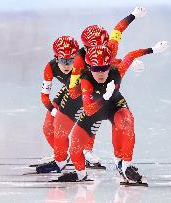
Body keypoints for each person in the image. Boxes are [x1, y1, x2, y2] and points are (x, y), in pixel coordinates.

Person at [46, 7, 148, 173]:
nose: (98, 53)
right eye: (92, 51)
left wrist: (134, 14)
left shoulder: (110, 47)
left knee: (120, 120)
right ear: (85, 49)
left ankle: (109, 157)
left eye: (102, 49)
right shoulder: (79, 61)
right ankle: (65, 158)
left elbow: (118, 30)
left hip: (100, 90)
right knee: (60, 126)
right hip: (80, 90)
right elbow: (73, 91)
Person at [57, 41, 169, 182]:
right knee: (75, 145)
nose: (100, 73)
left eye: (104, 68)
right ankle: (80, 173)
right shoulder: (85, 81)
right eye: (95, 69)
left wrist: (152, 49)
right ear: (89, 68)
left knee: (127, 122)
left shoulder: (118, 71)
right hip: (94, 108)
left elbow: (130, 56)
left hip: (114, 106)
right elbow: (89, 110)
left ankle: (125, 165)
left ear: (110, 65)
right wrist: (104, 97)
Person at [36, 36, 79, 173]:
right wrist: (53, 111)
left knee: (60, 128)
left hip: (83, 95)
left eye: (70, 60)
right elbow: (44, 97)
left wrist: (130, 63)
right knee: (48, 128)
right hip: (68, 90)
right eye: (62, 60)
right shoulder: (50, 67)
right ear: (56, 58)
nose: (66, 65)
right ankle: (62, 156)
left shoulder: (84, 63)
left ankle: (60, 161)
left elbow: (107, 60)